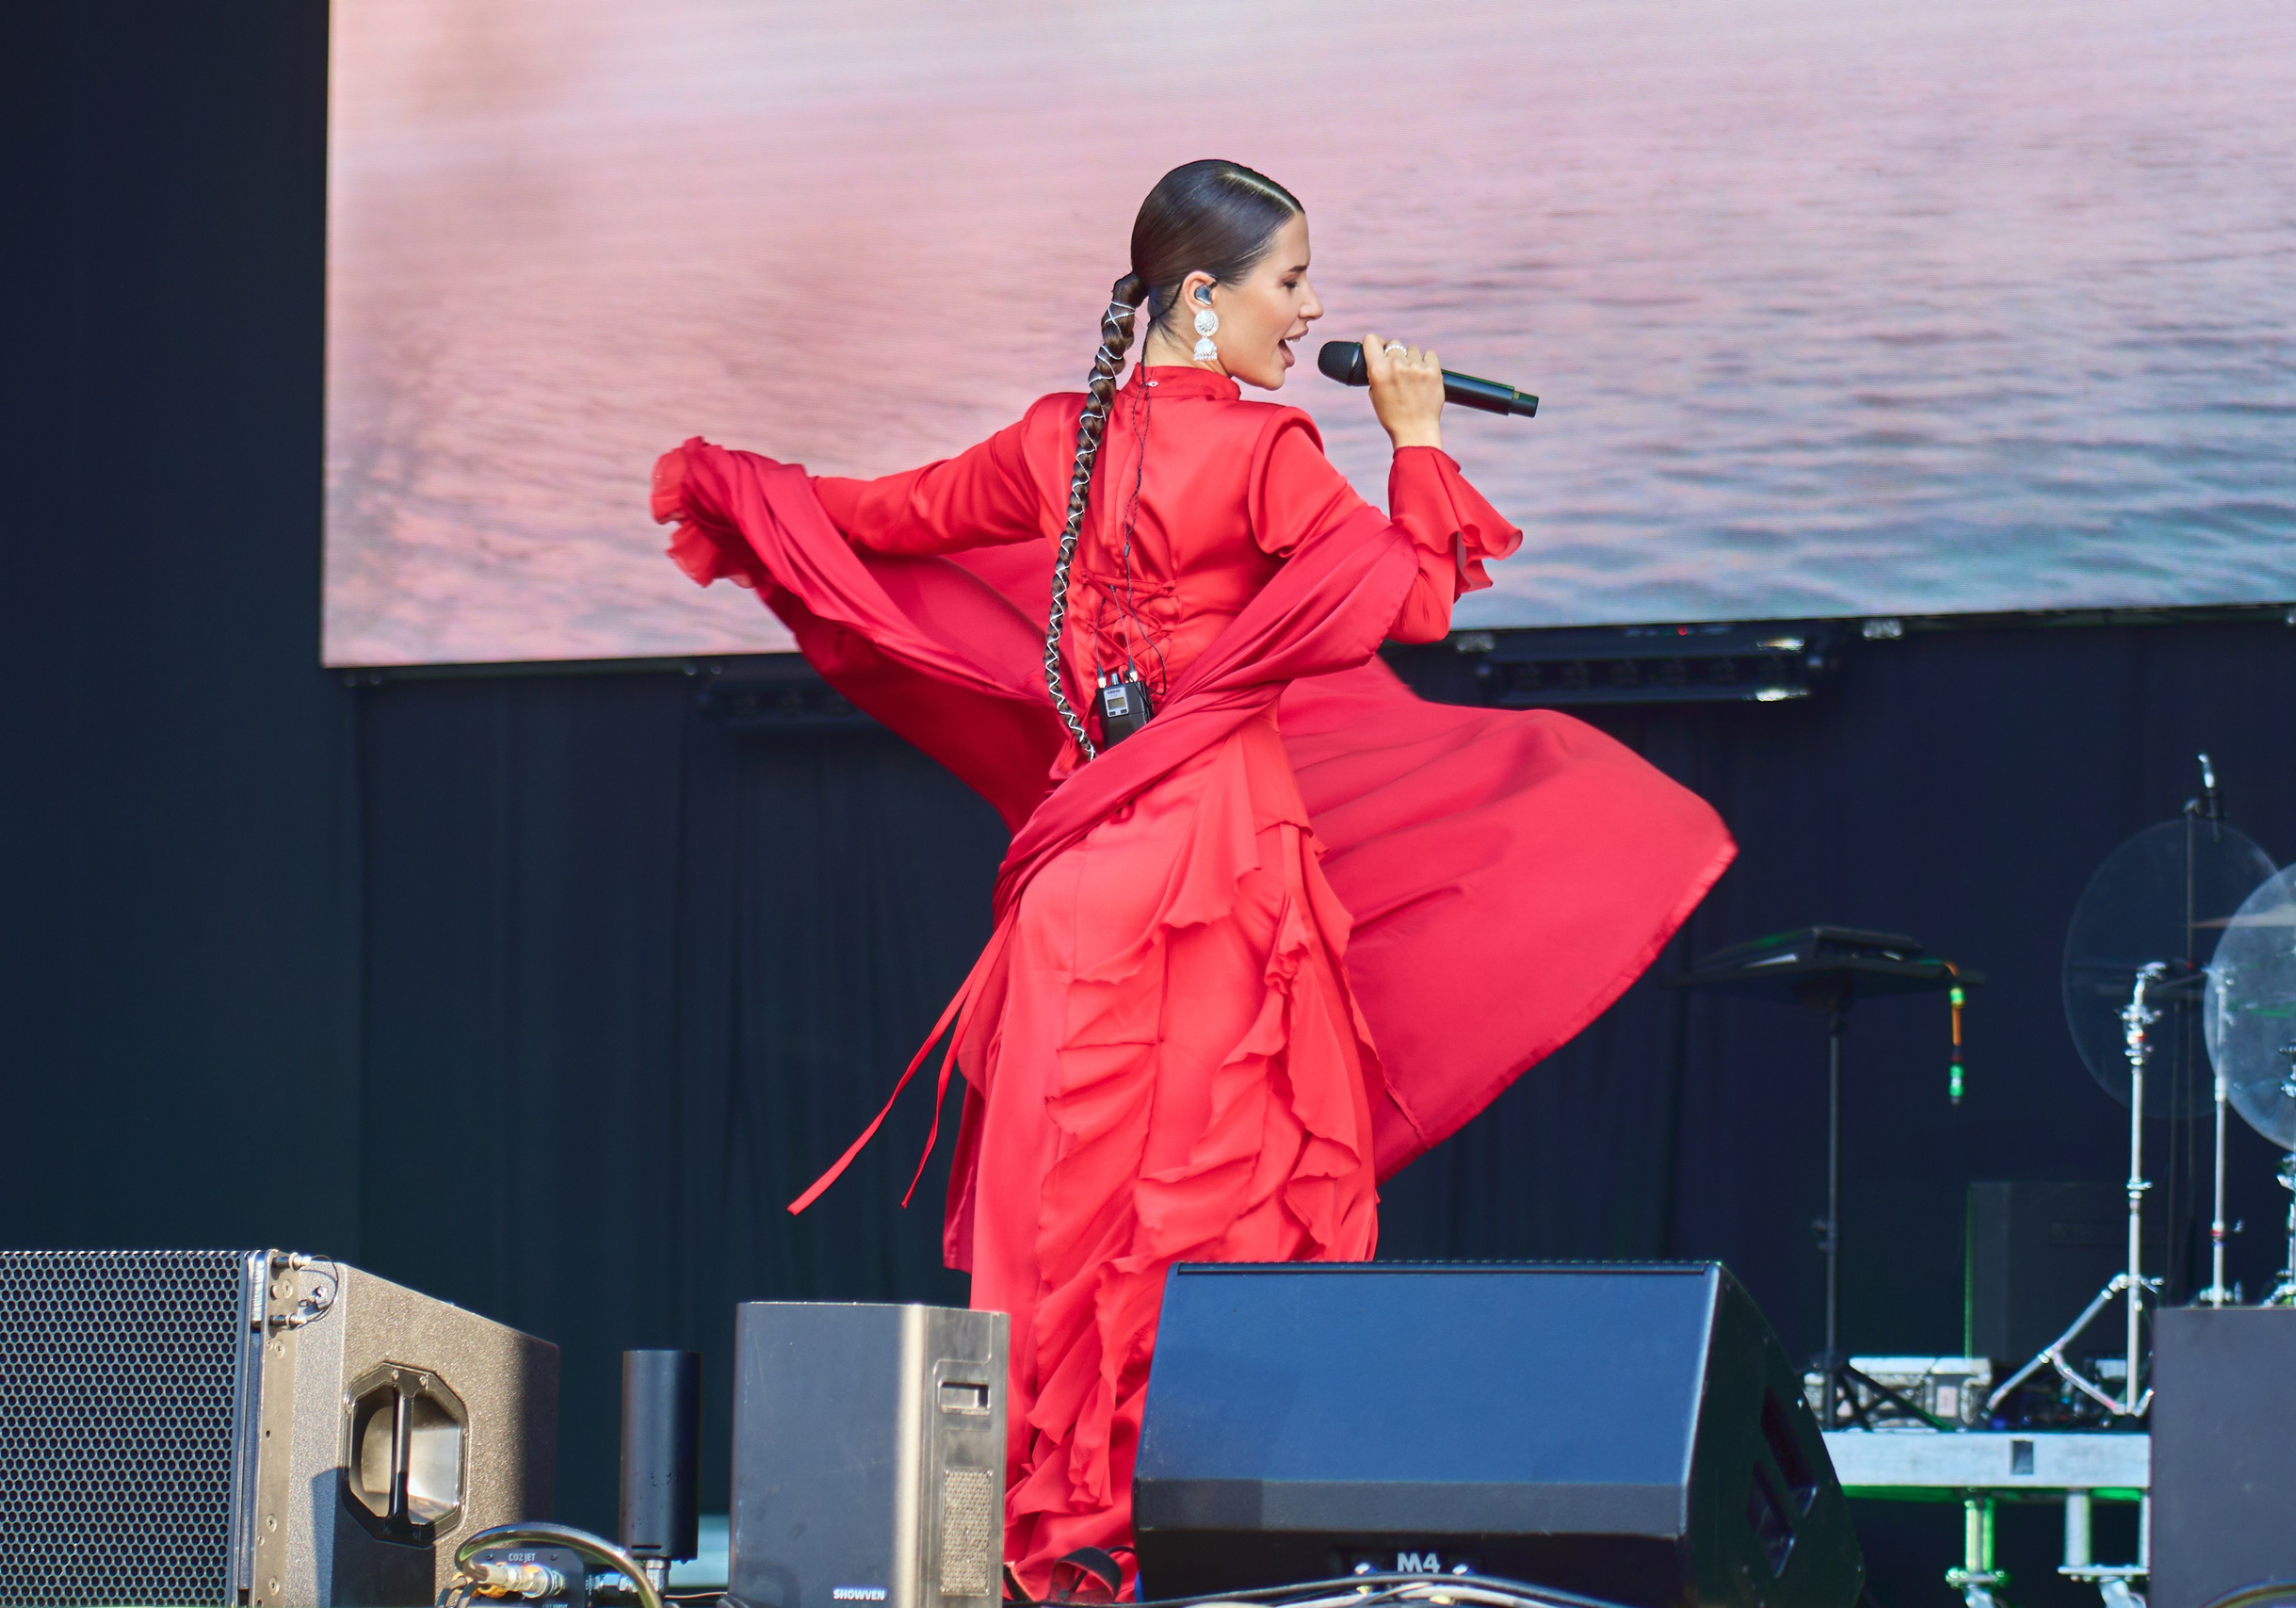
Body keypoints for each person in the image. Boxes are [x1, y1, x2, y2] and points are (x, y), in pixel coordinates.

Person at [652, 159, 1733, 1594]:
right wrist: (1413, 437)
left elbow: (884, 517)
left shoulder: (1056, 444)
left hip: (1081, 871)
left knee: (1077, 1215)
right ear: (1201, 295)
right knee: (1226, 1203)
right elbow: (1408, 598)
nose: (1313, 309)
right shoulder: (1274, 451)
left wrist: (749, 494)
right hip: (1215, 862)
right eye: (1292, 281)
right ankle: (1198, 1538)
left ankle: (1063, 1549)